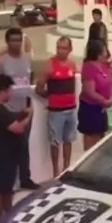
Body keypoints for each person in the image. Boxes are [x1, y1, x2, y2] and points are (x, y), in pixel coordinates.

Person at [0, 27, 37, 189]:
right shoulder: (1, 62)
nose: (16, 43)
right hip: (8, 111)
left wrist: (29, 106)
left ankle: (25, 178)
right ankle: (11, 182)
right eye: (13, 40)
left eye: (19, 40)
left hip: (25, 110)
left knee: (24, 147)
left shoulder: (27, 59)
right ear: (7, 42)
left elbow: (30, 81)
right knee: (10, 148)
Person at [0, 74, 33, 220]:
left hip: (1, 156)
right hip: (3, 157)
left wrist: (22, 113)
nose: (11, 93)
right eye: (10, 90)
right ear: (3, 90)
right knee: (1, 191)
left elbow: (10, 119)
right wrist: (29, 116)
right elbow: (18, 128)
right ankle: (0, 221)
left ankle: (8, 216)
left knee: (6, 190)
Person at [35, 36, 78, 178]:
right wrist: (51, 97)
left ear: (70, 49)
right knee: (55, 142)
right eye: (59, 48)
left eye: (64, 48)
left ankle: (66, 168)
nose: (61, 51)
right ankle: (56, 171)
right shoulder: (49, 65)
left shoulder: (72, 64)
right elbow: (39, 87)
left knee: (68, 140)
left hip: (71, 109)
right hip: (56, 111)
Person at [78, 40, 112, 151]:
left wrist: (111, 98)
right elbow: (89, 90)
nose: (106, 54)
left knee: (100, 140)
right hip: (91, 109)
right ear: (97, 54)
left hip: (101, 109)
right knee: (91, 142)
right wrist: (104, 101)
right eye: (104, 51)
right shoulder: (89, 67)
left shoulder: (104, 66)